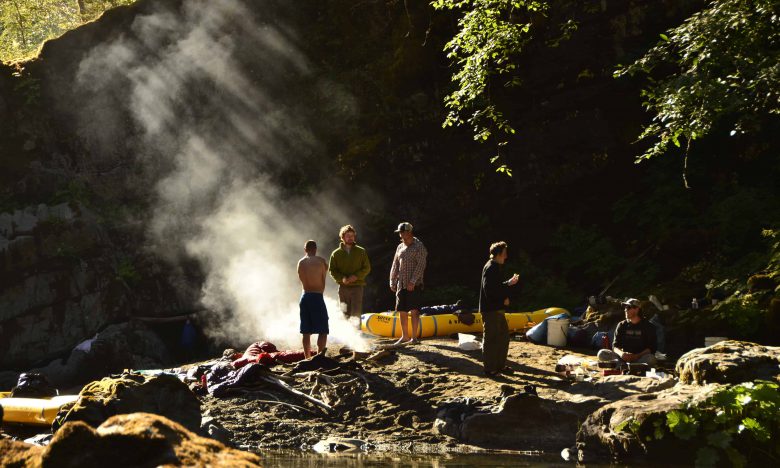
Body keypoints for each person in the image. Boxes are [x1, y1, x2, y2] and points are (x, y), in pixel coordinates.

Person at [479, 241, 519, 377]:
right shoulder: (490, 268)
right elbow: (489, 290)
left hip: (497, 309)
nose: (506, 256)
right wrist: (503, 299)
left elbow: (496, 286)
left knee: (503, 338)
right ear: (498, 254)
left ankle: (500, 366)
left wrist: (509, 283)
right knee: (491, 339)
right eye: (504, 253)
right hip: (491, 310)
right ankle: (490, 369)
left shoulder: (495, 267)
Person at [389, 222, 427, 345]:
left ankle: (414, 337)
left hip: (414, 284)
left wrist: (413, 281)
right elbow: (395, 264)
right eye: (399, 232)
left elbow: (421, 265)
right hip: (401, 283)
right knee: (401, 310)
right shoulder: (399, 247)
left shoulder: (419, 246)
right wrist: (392, 280)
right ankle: (404, 336)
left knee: (414, 310)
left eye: (402, 232)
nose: (400, 234)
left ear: (409, 232)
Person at [328, 225, 371, 323]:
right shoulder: (336, 253)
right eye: (348, 235)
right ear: (342, 237)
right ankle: (346, 336)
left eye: (352, 235)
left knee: (356, 313)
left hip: (357, 287)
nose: (350, 238)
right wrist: (342, 278)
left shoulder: (361, 251)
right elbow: (332, 270)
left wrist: (356, 276)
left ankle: (356, 336)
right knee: (344, 312)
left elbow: (367, 268)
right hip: (343, 287)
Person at [598, 298, 657, 366]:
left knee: (651, 359)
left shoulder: (648, 326)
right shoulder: (621, 325)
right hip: (623, 357)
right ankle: (629, 365)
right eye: (625, 307)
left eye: (628, 307)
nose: (625, 310)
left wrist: (636, 356)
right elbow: (615, 346)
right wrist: (622, 354)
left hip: (639, 358)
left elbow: (651, 348)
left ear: (637, 309)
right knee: (601, 353)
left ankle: (624, 365)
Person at [297, 240, 329, 359]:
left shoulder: (301, 262)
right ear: (316, 249)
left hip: (305, 296)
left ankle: (307, 358)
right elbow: (324, 273)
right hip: (317, 296)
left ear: (305, 250)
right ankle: (320, 357)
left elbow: (300, 279)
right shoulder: (321, 261)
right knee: (323, 330)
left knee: (306, 331)